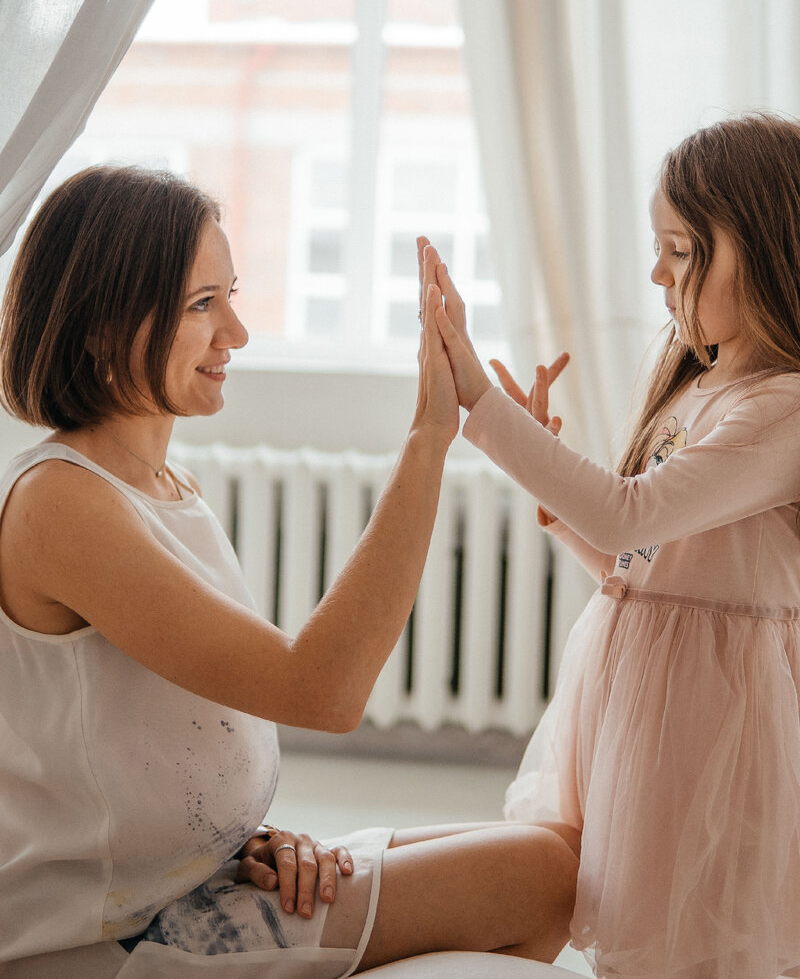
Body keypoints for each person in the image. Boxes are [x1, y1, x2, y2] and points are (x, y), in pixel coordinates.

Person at [0, 165, 578, 979]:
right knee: (542, 877)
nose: (236, 333)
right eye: (203, 305)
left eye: (229, 296)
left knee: (554, 850)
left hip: (200, 885)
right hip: (108, 945)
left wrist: (252, 842)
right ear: (103, 326)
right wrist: (426, 439)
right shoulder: (61, 503)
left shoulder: (168, 490)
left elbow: (160, 742)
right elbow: (323, 691)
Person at [427, 111, 800, 979]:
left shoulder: (781, 407)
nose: (657, 272)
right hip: (645, 701)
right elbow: (645, 569)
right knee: (639, 931)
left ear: (761, 243)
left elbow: (626, 515)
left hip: (715, 720)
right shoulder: (700, 390)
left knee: (709, 937)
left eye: (679, 248)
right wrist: (554, 500)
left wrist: (484, 408)